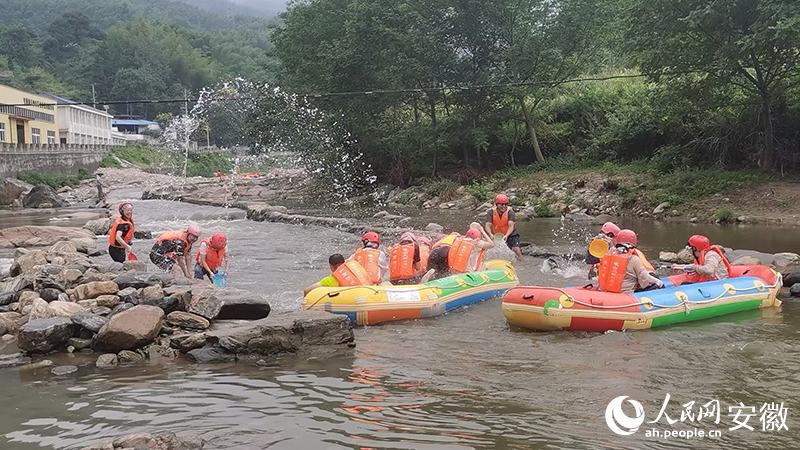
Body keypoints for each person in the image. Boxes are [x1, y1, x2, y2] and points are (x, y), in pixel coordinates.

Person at [597, 230, 663, 294]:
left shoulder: (607, 255)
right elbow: (645, 281)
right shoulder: (634, 259)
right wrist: (658, 282)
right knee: (658, 285)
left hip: (604, 291)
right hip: (624, 295)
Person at [423, 223, 495, 282]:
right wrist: (482, 230)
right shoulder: (477, 243)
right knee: (482, 266)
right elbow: (491, 244)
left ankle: (431, 276)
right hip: (467, 273)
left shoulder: (461, 240)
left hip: (454, 270)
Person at [303, 254, 372, 296]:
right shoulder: (357, 269)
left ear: (330, 266)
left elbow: (306, 290)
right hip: (370, 293)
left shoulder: (333, 279)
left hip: (356, 299)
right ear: (344, 262)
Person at [485, 193, 522, 261]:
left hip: (511, 234)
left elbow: (511, 226)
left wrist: (507, 235)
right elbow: (487, 225)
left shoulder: (510, 212)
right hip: (498, 235)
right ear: (497, 204)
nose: (504, 206)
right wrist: (490, 234)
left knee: (516, 250)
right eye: (502, 204)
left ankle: (522, 263)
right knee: (498, 252)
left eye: (506, 204)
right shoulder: (491, 212)